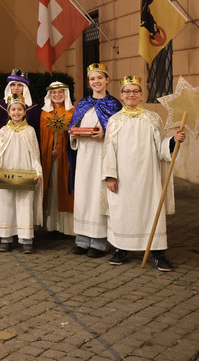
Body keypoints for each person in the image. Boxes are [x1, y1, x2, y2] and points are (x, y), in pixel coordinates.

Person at [103, 76, 185, 272]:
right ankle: (121, 248)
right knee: (122, 212)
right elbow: (108, 150)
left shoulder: (152, 118)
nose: (131, 94)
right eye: (127, 91)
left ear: (141, 95)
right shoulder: (115, 121)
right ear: (121, 96)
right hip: (123, 176)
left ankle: (158, 252)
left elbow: (161, 147)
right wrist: (110, 175)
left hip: (148, 176)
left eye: (135, 91)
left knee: (151, 211)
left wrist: (174, 140)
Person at [68, 63, 122, 258]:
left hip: (102, 155)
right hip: (84, 156)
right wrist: (73, 133)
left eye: (99, 78)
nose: (96, 82)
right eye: (92, 79)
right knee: (83, 195)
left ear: (107, 79)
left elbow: (119, 132)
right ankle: (82, 240)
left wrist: (104, 134)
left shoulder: (114, 105)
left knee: (98, 196)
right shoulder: (82, 104)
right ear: (89, 82)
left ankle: (99, 242)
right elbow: (72, 127)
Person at [0, 94, 43, 254]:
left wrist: (38, 172)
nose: (16, 112)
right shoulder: (4, 131)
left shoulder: (30, 131)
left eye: (19, 109)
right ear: (8, 112)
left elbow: (35, 154)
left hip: (26, 172)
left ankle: (25, 238)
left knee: (24, 204)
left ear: (24, 112)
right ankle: (5, 238)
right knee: (6, 204)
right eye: (13, 109)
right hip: (7, 173)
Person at [39, 82, 75, 236]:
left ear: (65, 94)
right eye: (54, 93)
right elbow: (43, 136)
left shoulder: (72, 112)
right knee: (52, 187)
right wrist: (49, 151)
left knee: (64, 186)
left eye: (60, 92)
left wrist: (60, 149)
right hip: (50, 158)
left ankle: (66, 227)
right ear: (50, 95)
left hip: (66, 158)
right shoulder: (45, 113)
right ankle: (52, 225)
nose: (57, 95)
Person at [0, 69, 41, 136]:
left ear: (24, 88)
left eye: (19, 85)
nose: (16, 88)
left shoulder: (33, 109)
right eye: (13, 85)